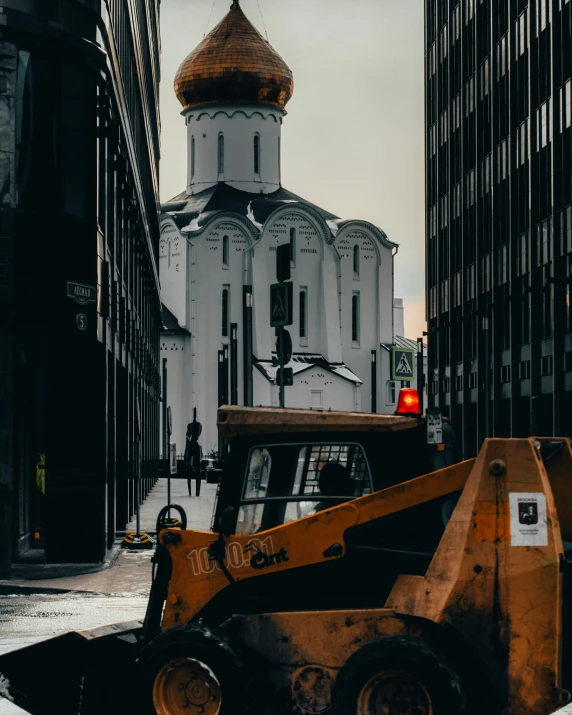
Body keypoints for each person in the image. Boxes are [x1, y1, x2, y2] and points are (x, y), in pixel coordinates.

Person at [184, 416, 203, 497]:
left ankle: (194, 492)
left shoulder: (194, 426)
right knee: (196, 472)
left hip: (192, 449)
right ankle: (196, 492)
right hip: (193, 449)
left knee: (194, 472)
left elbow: (188, 439)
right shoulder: (196, 426)